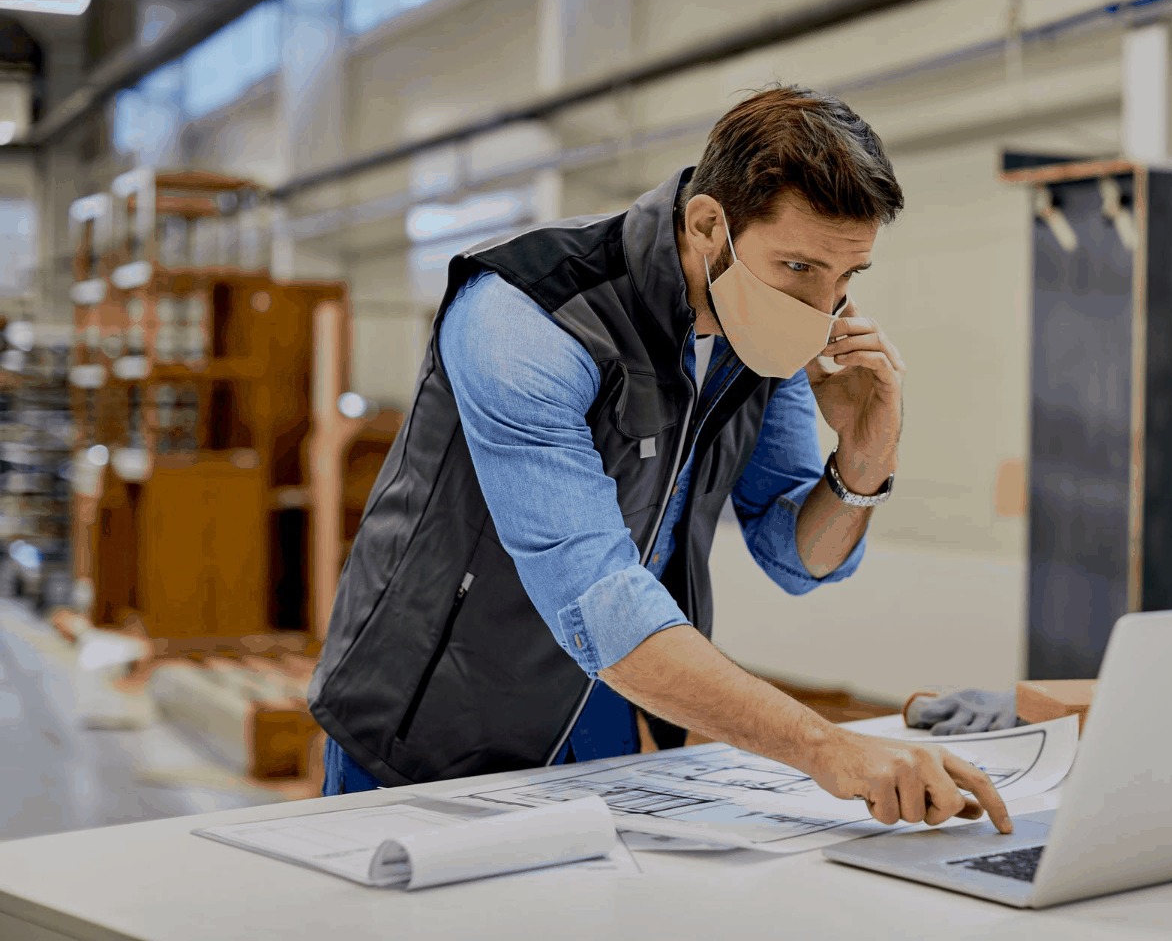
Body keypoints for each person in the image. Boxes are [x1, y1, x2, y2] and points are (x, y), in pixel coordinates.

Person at [309, 84, 1012, 834]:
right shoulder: (529, 313)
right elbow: (600, 600)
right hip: (429, 721)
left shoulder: (762, 338)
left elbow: (796, 558)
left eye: (846, 279)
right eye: (800, 268)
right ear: (710, 224)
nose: (825, 309)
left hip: (609, 709)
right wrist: (825, 747)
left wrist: (867, 452)